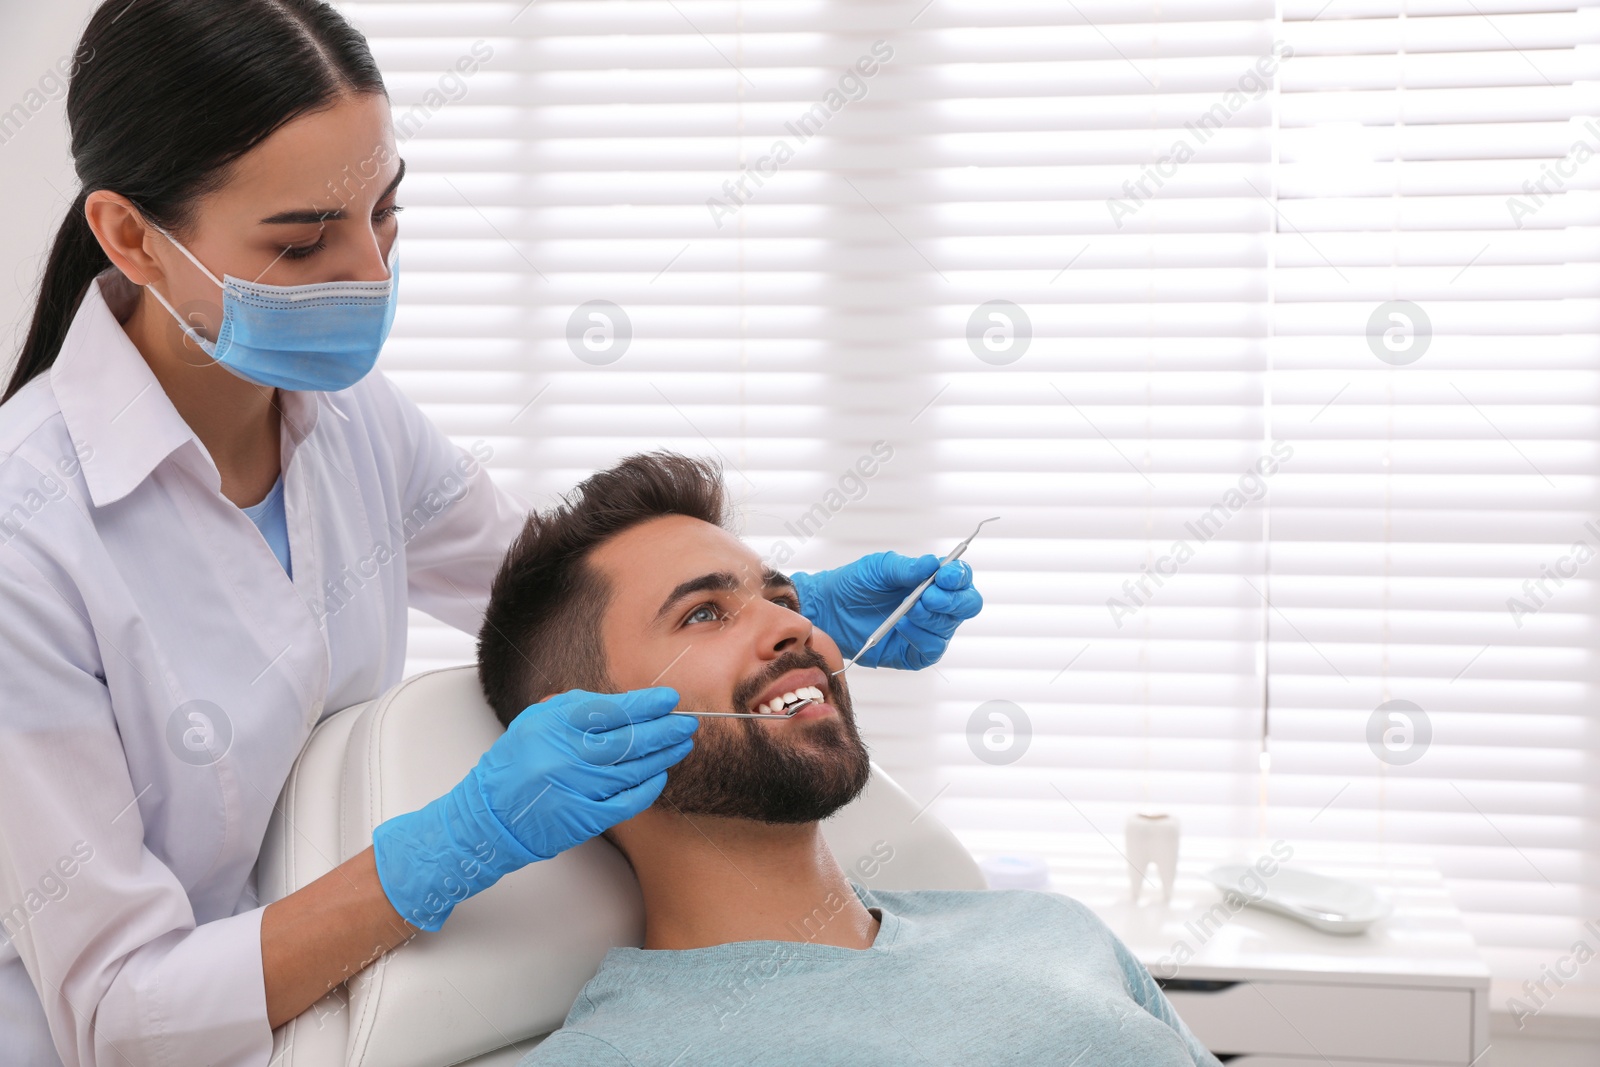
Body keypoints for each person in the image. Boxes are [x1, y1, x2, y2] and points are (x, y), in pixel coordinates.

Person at [0, 3, 982, 1064]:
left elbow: (559, 604)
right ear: (131, 235)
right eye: (302, 240)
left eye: (384, 213)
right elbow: (116, 1016)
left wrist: (773, 611)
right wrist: (451, 847)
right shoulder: (29, 543)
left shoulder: (353, 420)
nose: (369, 275)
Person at [472, 452, 1219, 1067]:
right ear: (591, 731)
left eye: (783, 598)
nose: (796, 629)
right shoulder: (616, 1054)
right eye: (704, 613)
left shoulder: (1053, 929)